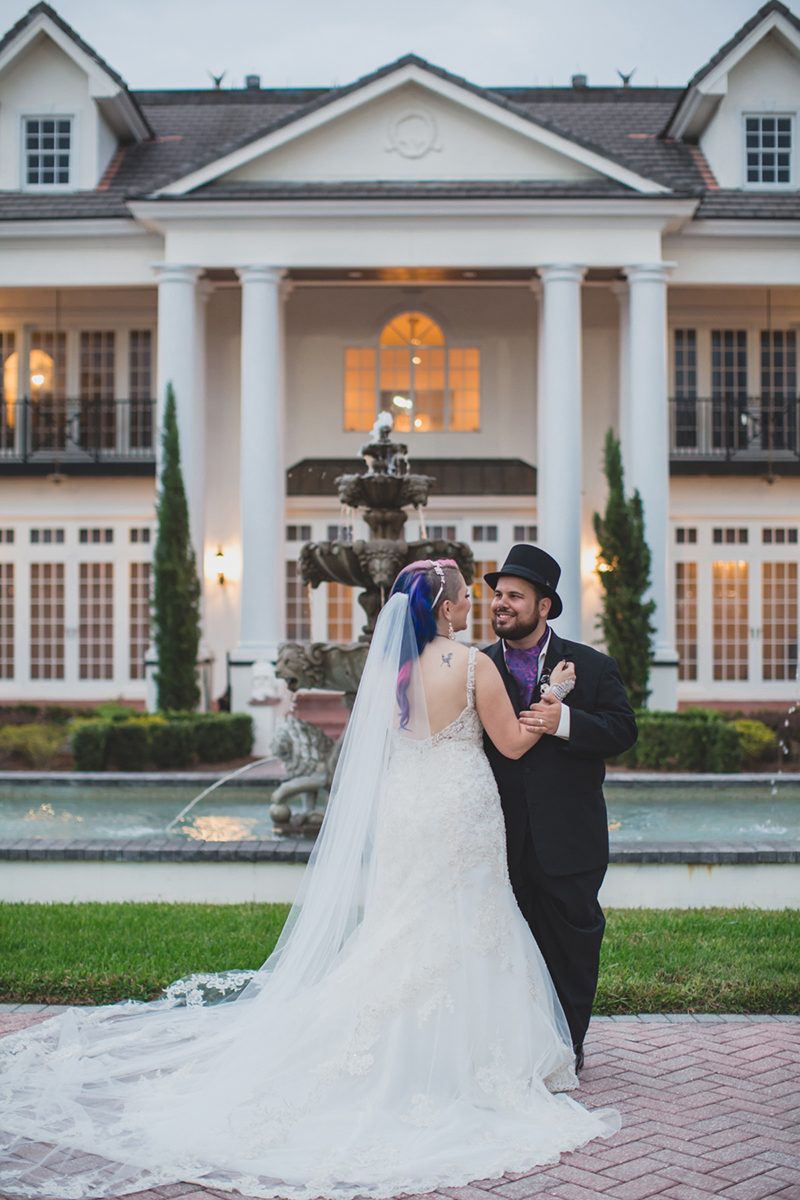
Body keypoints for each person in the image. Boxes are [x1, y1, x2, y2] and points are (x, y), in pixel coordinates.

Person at [0, 559, 618, 1200]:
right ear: (443, 607)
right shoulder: (470, 665)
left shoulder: (393, 673)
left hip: (408, 807)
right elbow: (514, 744)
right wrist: (555, 697)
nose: (472, 605)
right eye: (464, 596)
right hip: (459, 806)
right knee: (466, 915)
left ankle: (389, 1041)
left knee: (404, 918)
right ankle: (469, 1057)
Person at [481, 544, 638, 1073]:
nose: (501, 604)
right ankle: (518, 1051)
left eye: (514, 596)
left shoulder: (592, 666)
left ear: (544, 606)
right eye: (498, 595)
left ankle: (567, 1050)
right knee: (508, 949)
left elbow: (622, 730)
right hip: (497, 836)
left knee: (572, 948)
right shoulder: (476, 666)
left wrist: (565, 722)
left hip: (570, 838)